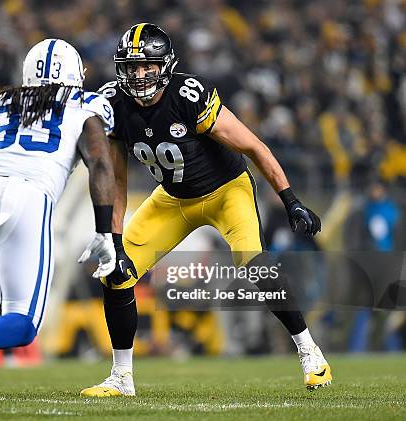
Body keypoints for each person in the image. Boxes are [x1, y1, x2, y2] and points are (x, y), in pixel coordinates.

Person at [80, 23, 331, 397]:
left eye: (148, 65)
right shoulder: (114, 103)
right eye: (133, 67)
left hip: (225, 191)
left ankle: (310, 352)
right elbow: (116, 180)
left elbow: (253, 146)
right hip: (173, 199)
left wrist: (290, 199)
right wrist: (113, 240)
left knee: (255, 263)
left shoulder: (188, 95)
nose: (140, 74)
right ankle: (121, 377)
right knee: (116, 271)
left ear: (164, 64)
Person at [0, 39, 120, 412]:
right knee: (24, 323)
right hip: (28, 196)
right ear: (75, 72)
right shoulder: (85, 105)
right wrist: (104, 231)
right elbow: (100, 164)